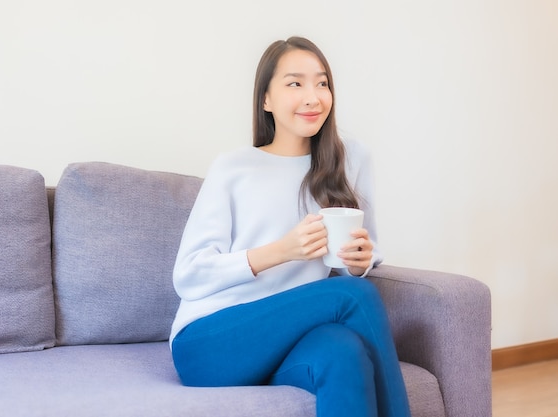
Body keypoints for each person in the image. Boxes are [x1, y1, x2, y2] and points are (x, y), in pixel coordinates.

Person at [169, 36, 411, 417]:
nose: (313, 96)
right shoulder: (234, 167)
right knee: (351, 296)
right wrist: (281, 251)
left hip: (289, 338)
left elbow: (365, 255)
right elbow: (188, 275)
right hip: (210, 341)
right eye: (295, 83)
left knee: (343, 350)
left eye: (322, 83)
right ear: (266, 99)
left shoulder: (351, 160)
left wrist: (360, 260)